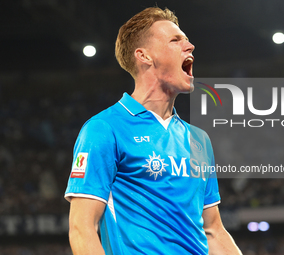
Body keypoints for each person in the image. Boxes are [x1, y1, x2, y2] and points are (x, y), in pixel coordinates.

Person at [65, 7, 242, 255]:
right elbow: (82, 228)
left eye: (187, 39)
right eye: (175, 40)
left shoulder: (198, 139)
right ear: (144, 56)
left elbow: (213, 231)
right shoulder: (104, 129)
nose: (190, 46)